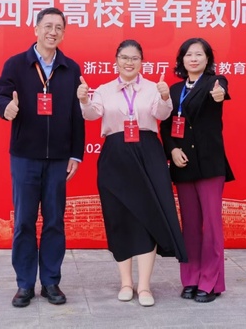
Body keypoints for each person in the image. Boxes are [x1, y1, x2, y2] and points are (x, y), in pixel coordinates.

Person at [77, 39, 187, 307]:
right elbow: (92, 115)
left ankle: (145, 286)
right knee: (119, 219)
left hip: (148, 153)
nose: (129, 62)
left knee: (149, 218)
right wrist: (83, 99)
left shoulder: (152, 88)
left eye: (135, 58)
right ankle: (126, 283)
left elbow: (162, 114)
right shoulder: (104, 89)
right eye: (124, 58)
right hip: (115, 156)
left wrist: (165, 97)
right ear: (116, 60)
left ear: (142, 62)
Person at [0, 7, 85, 308]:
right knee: (24, 222)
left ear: (64, 33)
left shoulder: (70, 68)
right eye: (47, 26)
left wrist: (76, 154)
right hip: (25, 157)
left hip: (58, 158)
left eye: (58, 27)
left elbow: (77, 115)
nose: (52, 32)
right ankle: (24, 284)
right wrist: (6, 108)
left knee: (55, 221)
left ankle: (51, 282)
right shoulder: (16, 65)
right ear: (36, 29)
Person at [160, 38, 234, 303]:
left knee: (211, 226)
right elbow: (166, 125)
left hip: (210, 165)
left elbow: (221, 90)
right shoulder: (174, 89)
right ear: (181, 60)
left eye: (199, 54)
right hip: (183, 165)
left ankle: (210, 282)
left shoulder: (215, 82)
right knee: (189, 226)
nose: (193, 59)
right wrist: (172, 150)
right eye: (188, 54)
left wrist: (220, 92)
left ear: (207, 59)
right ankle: (190, 279)